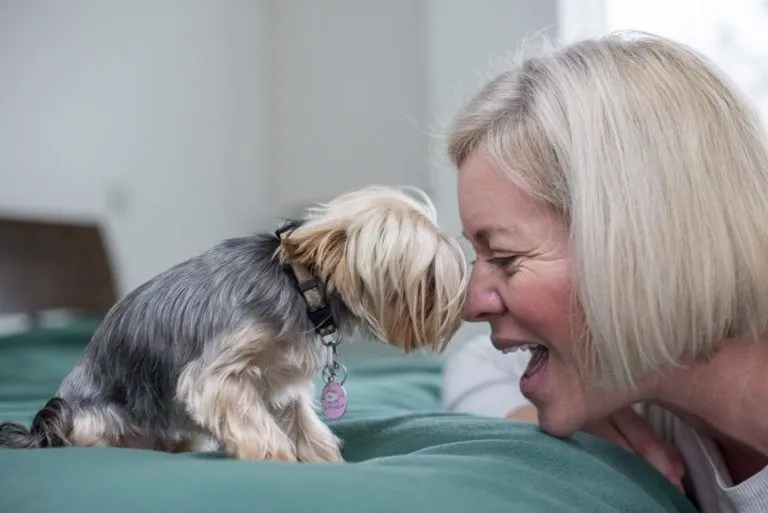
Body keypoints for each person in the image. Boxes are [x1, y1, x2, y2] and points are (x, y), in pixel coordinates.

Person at [441, 31, 768, 513]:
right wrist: (552, 425)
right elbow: (475, 366)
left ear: (643, 241)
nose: (472, 305)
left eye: (505, 258)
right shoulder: (650, 388)